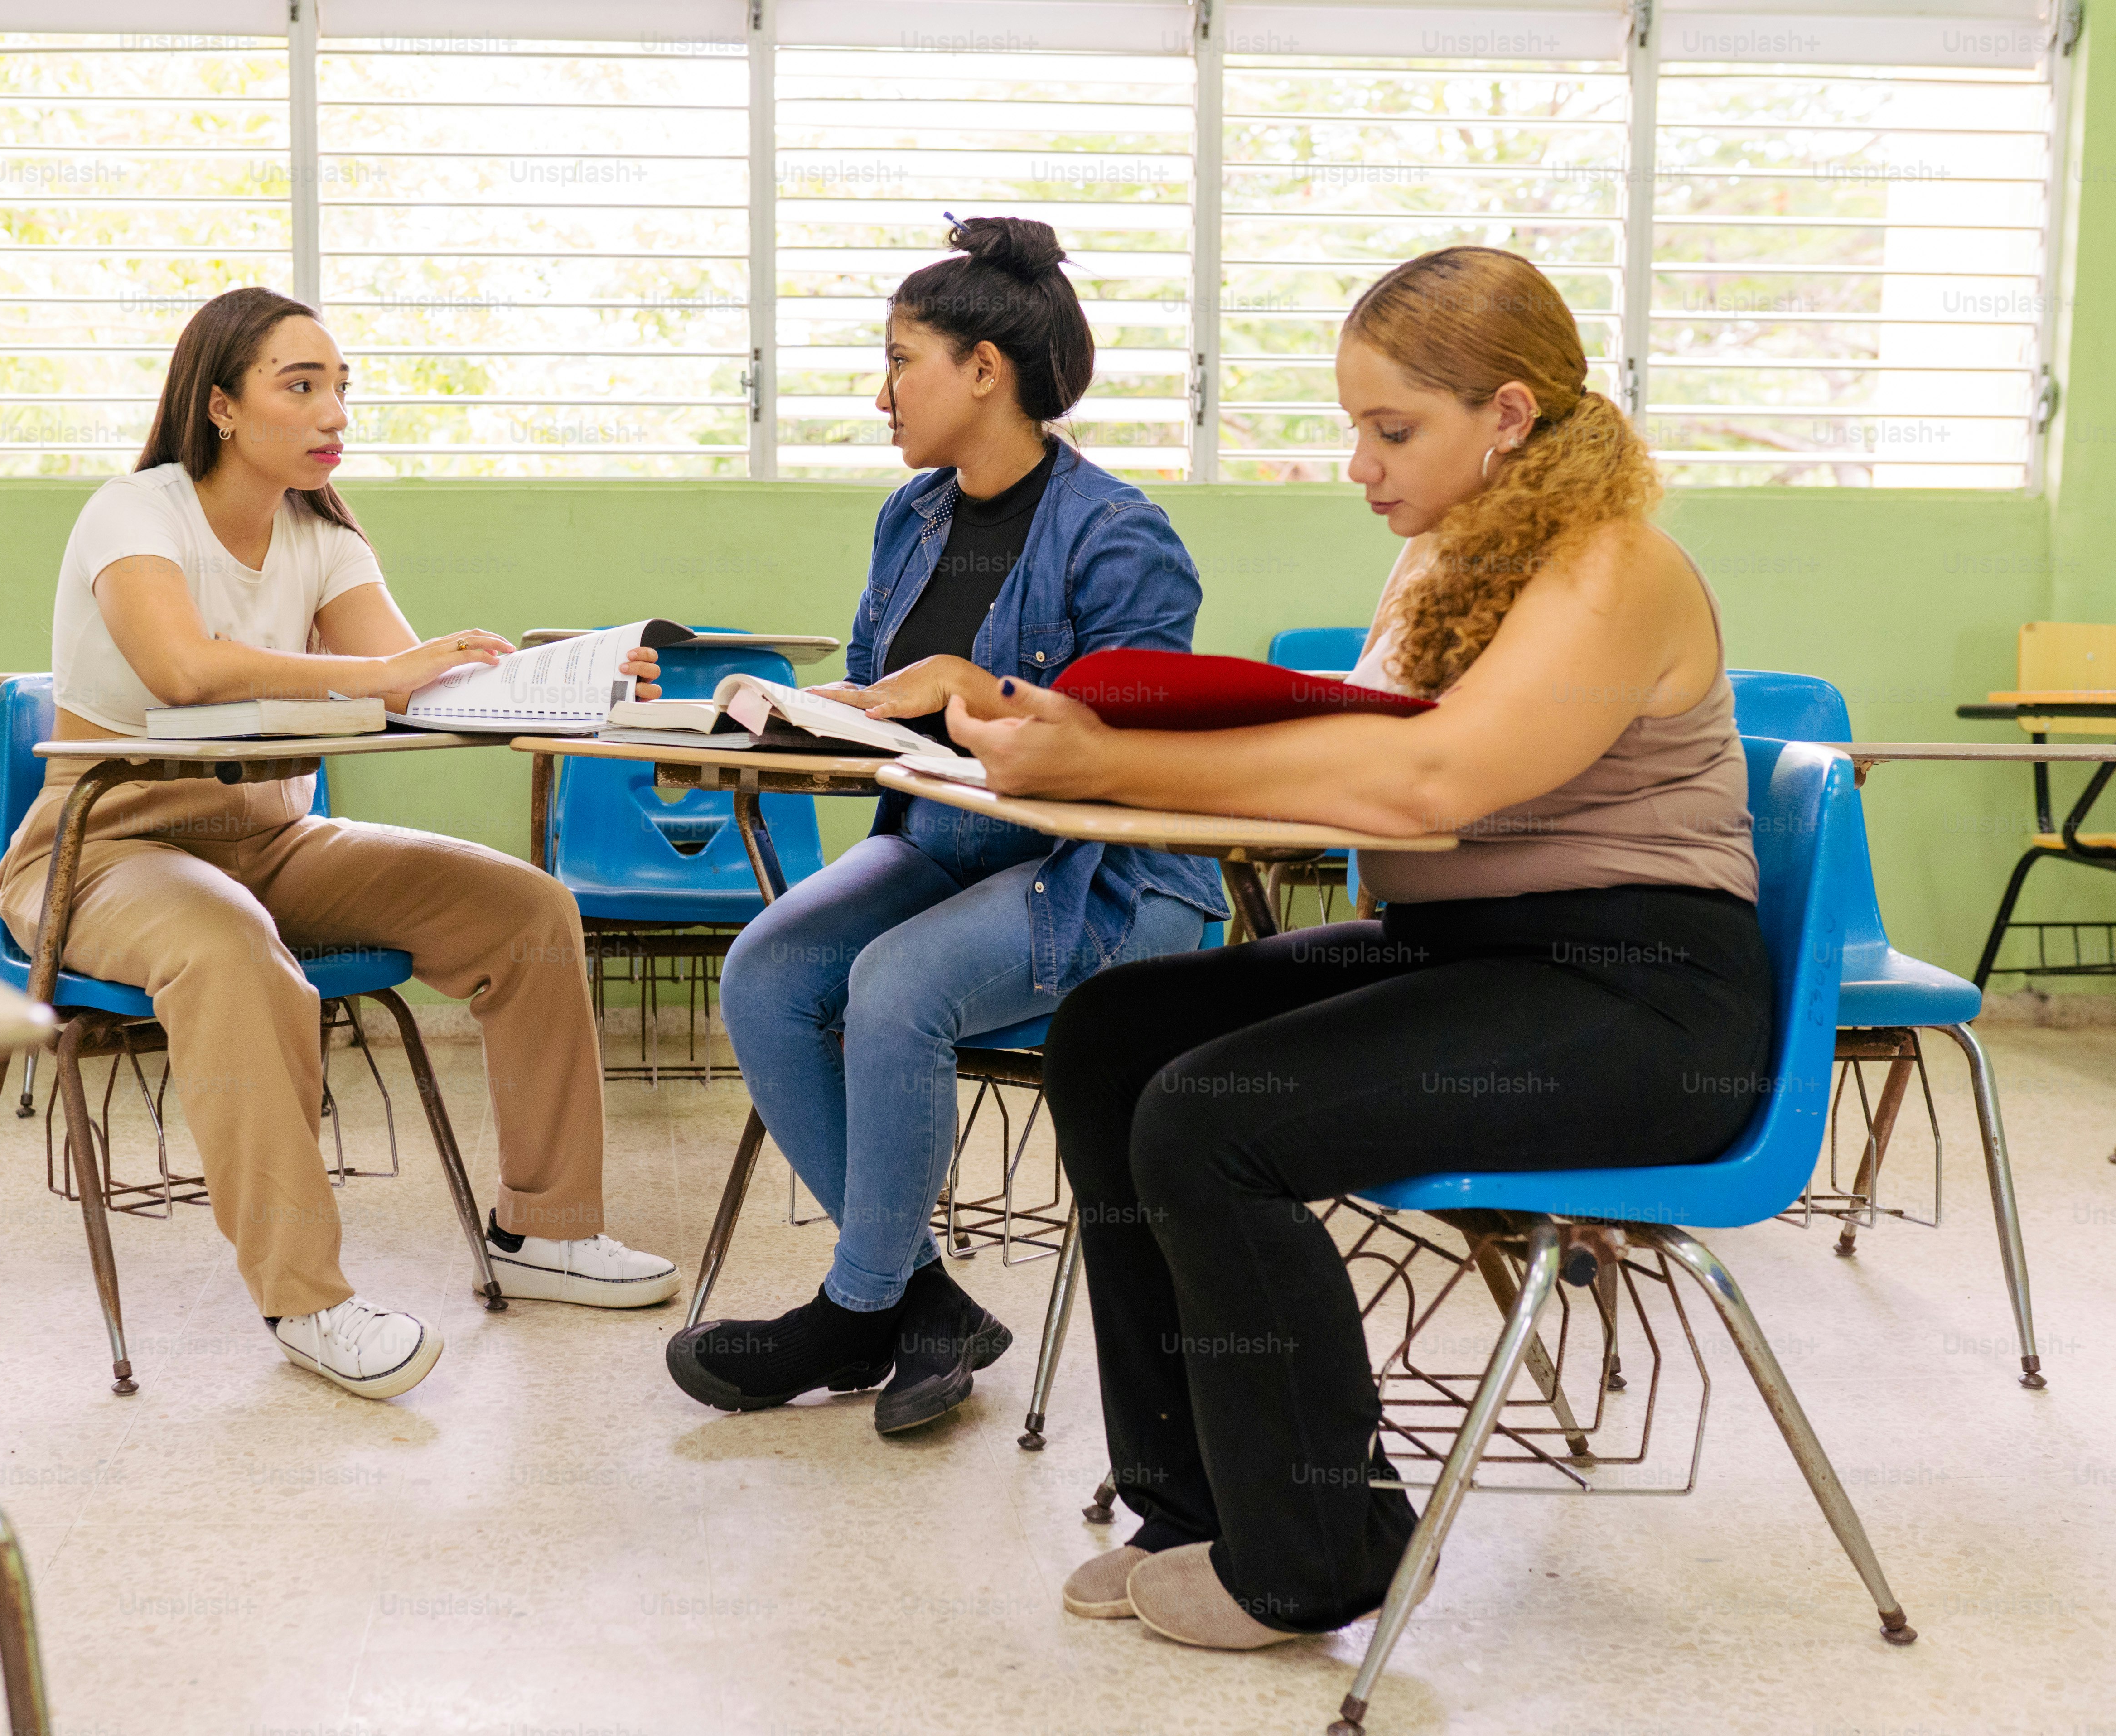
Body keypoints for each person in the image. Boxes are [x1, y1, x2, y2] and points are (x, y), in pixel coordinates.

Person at [943, 246, 1770, 1643]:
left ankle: (1317, 1552)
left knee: (1213, 1122)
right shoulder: (1442, 561)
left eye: (1392, 431)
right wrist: (1115, 741)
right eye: (1357, 430)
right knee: (1112, 1036)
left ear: (1507, 416)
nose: (1358, 464)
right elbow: (1352, 750)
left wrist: (1113, 763)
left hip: (1643, 996)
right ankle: (1196, 1506)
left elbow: (1421, 785)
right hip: (1461, 955)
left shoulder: (1614, 567)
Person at [0, 286, 679, 1403]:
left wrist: (574, 679)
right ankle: (306, 1295)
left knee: (526, 908)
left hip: (272, 837)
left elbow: (423, 687)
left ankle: (546, 1229)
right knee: (231, 952)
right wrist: (379, 677)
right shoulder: (135, 513)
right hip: (105, 846)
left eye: (341, 387)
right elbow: (185, 669)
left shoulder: (319, 533)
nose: (331, 412)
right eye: (299, 385)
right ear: (220, 405)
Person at [665, 217, 1227, 1435]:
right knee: (767, 971)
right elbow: (879, 702)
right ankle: (925, 1307)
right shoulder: (910, 516)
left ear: (984, 370)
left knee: (894, 986)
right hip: (947, 849)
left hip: (1110, 879)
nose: (880, 394)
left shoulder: (1121, 536)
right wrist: (793, 717)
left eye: (899, 359)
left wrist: (962, 690)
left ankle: (856, 1310)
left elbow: (1129, 746)